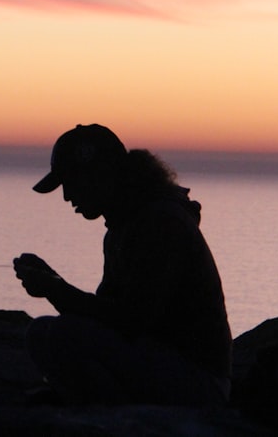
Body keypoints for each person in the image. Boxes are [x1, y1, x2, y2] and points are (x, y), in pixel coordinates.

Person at [13, 123, 232, 406]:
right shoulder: (123, 226)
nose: (67, 197)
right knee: (41, 334)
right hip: (160, 362)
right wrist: (53, 283)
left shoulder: (160, 223)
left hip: (198, 381)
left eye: (71, 183)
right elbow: (108, 312)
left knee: (61, 334)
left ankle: (111, 415)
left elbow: (133, 320)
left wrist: (56, 290)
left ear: (100, 176)